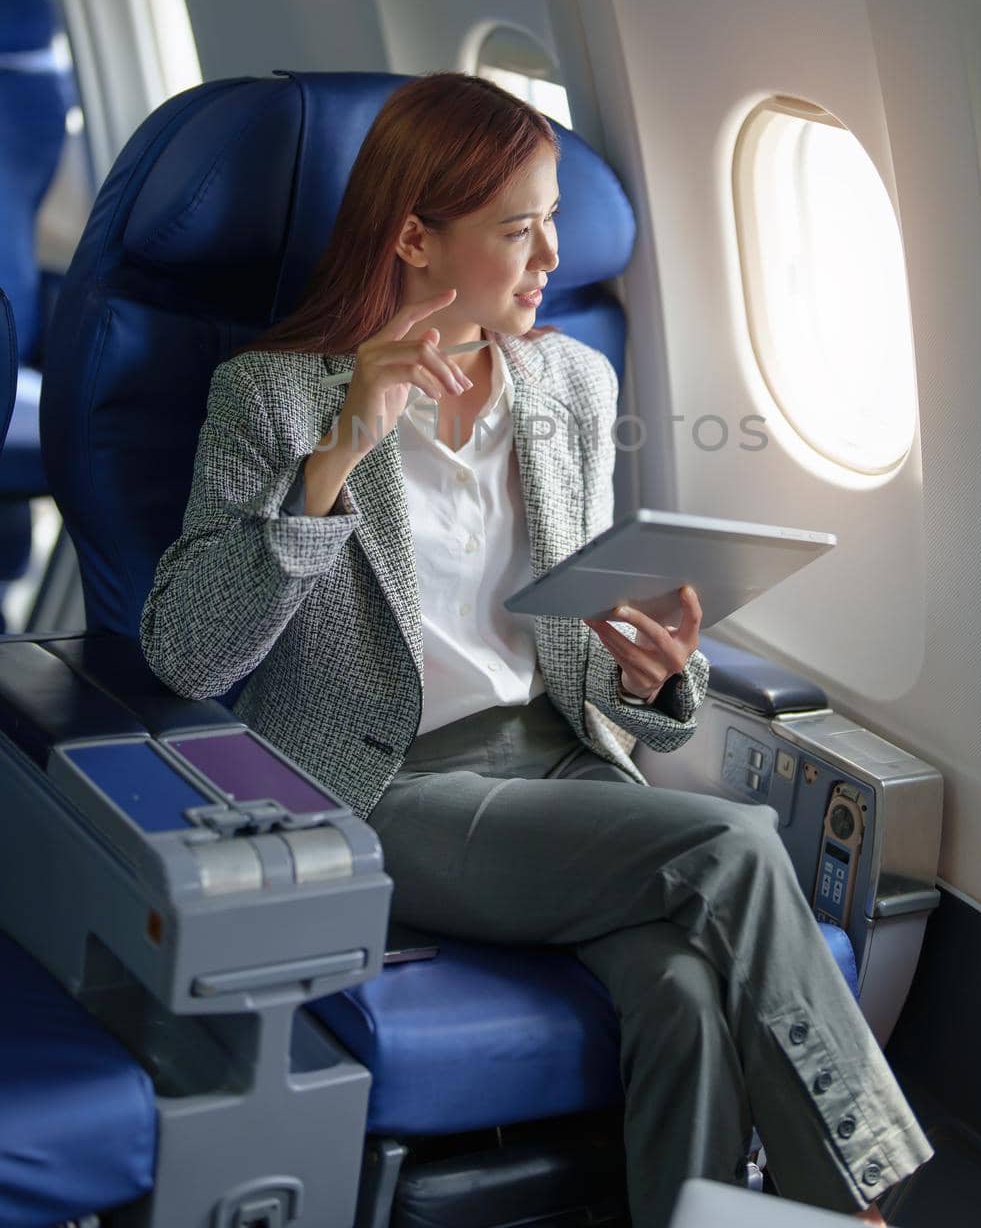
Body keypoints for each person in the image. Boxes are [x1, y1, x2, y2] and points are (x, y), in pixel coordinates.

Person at [140, 72, 933, 1227]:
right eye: (518, 229)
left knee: (679, 991)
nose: (553, 254)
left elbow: (583, 640)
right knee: (733, 840)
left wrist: (652, 675)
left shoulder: (571, 382)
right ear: (415, 237)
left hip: (561, 770)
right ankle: (865, 1191)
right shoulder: (273, 396)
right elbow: (189, 654)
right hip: (385, 785)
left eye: (555, 218)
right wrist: (337, 459)